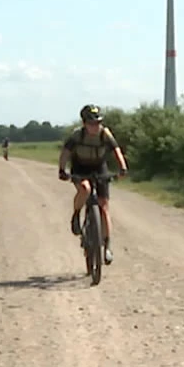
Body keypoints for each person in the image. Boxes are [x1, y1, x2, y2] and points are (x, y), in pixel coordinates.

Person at [58, 104, 129, 262]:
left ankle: (107, 245)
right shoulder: (77, 135)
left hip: (99, 167)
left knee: (104, 206)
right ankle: (76, 214)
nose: (95, 126)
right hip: (80, 166)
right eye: (91, 123)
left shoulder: (105, 133)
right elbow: (66, 152)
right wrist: (62, 170)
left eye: (97, 123)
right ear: (84, 123)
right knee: (85, 188)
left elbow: (116, 150)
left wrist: (123, 168)